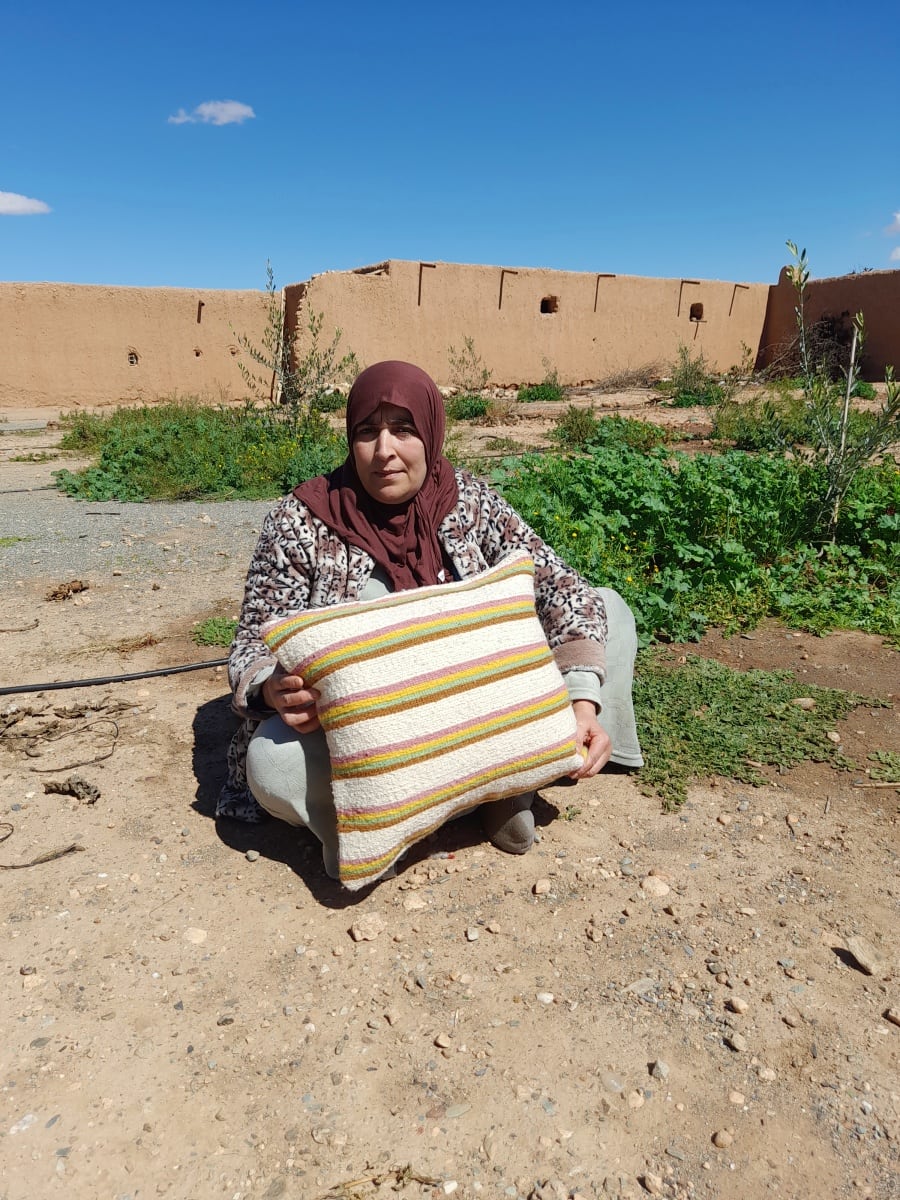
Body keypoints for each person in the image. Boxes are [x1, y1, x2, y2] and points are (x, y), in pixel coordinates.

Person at [219, 360, 643, 878]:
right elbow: (252, 640)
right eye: (367, 432)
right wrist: (270, 688)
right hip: (377, 736)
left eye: (403, 429)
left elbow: (561, 586)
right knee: (272, 763)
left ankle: (497, 783)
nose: (384, 450)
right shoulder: (303, 519)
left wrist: (581, 701)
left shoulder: (468, 500)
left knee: (609, 606)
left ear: (431, 431)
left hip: (482, 704)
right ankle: (484, 790)